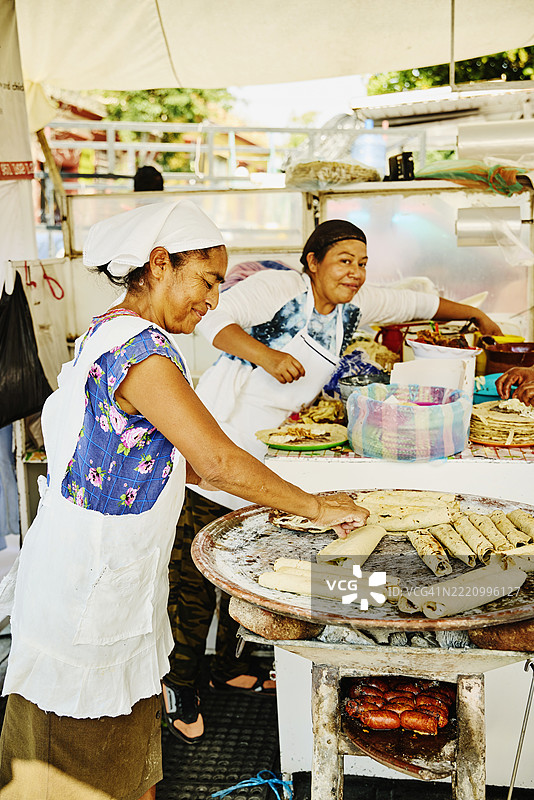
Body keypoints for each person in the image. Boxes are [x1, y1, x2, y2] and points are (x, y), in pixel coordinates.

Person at [0, 201, 368, 800]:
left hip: (108, 576)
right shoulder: (140, 354)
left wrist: (274, 504)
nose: (214, 299)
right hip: (87, 584)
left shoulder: (110, 330)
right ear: (159, 264)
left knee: (128, 748)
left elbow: (193, 464)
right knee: (72, 758)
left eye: (220, 282)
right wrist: (317, 508)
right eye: (206, 279)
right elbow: (217, 460)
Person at [164, 218, 503, 743]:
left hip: (271, 460)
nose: (357, 271)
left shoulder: (351, 310)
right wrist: (267, 355)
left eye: (363, 262)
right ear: (313, 261)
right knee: (195, 585)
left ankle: (225, 667)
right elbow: (215, 321)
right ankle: (179, 687)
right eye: (345, 259)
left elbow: (419, 306)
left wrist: (478, 313)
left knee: (245, 566)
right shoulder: (280, 289)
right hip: (216, 448)